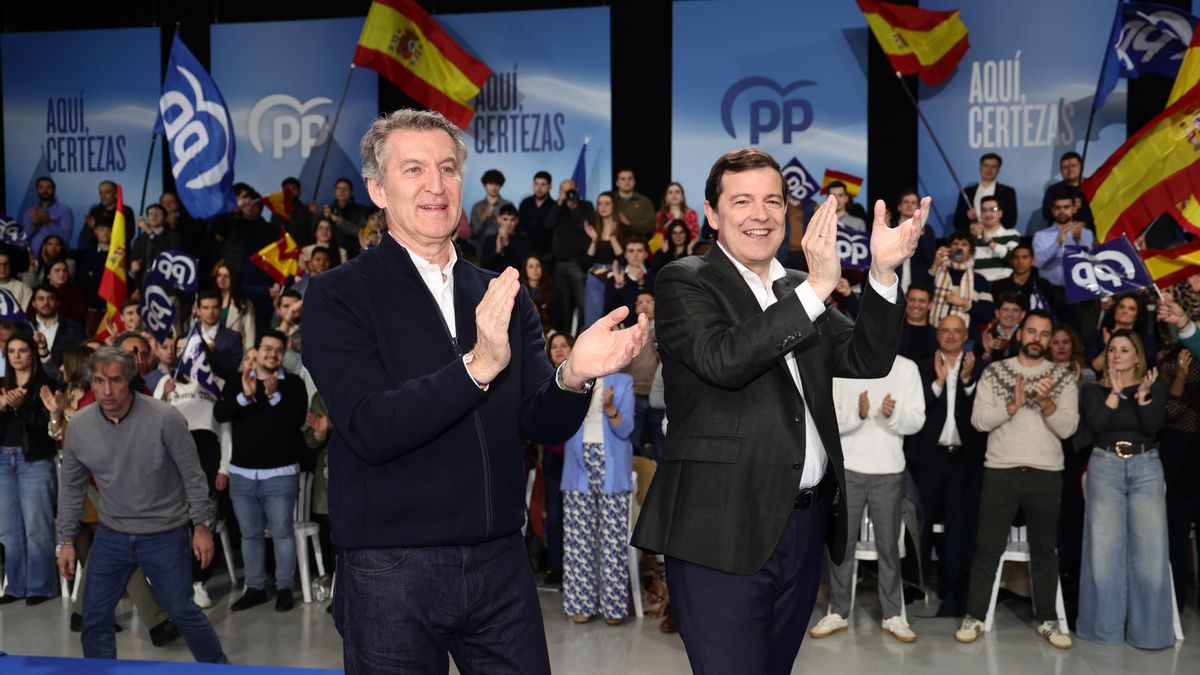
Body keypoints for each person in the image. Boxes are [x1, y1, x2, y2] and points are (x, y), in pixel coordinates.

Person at [302, 108, 648, 673]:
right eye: (413, 169)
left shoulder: (498, 292)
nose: (435, 185)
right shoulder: (338, 295)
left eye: (447, 167)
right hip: (390, 569)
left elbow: (540, 422)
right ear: (377, 189)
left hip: (500, 564)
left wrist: (574, 375)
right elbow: (369, 426)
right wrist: (477, 367)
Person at [631, 147, 926, 674]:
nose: (760, 214)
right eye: (741, 201)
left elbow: (867, 357)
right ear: (712, 214)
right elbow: (724, 359)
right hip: (720, 527)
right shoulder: (685, 280)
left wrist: (883, 273)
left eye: (772, 200)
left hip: (803, 527)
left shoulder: (794, 287)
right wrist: (818, 286)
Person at [55, 347, 227, 663]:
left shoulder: (165, 418)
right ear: (90, 383)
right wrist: (65, 540)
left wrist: (202, 526)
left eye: (115, 380)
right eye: (98, 381)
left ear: (130, 381)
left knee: (183, 612)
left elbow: (193, 476)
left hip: (166, 533)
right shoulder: (79, 426)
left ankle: (220, 670)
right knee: (93, 619)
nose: (106, 390)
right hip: (112, 534)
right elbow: (71, 488)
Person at [957, 310, 1078, 648]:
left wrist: (1046, 403)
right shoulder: (996, 371)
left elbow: (1069, 427)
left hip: (1046, 474)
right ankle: (975, 616)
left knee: (1044, 552)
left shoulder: (1063, 376)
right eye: (1032, 331)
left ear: (1050, 339)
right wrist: (1010, 407)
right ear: (1020, 334)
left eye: (1044, 333)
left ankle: (1048, 620)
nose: (1037, 338)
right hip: (1001, 472)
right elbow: (979, 420)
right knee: (987, 549)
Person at [812, 354, 925, 643]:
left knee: (889, 546)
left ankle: (893, 615)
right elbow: (828, 420)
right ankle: (837, 611)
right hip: (848, 468)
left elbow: (916, 421)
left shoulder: (906, 367)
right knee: (842, 544)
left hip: (888, 470)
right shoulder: (843, 365)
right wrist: (859, 415)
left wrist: (892, 414)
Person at [1076, 330, 1172, 648]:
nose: (1117, 355)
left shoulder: (1153, 388)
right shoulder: (1092, 390)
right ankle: (1103, 631)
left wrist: (1143, 399)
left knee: (1151, 553)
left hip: (1145, 466)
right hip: (1105, 466)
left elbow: (1152, 426)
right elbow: (1098, 425)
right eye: (1112, 349)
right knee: (1103, 553)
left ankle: (1150, 634)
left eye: (1124, 349)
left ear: (1137, 356)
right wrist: (1114, 395)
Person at [214, 329, 308, 613]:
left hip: (280, 474)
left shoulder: (292, 384)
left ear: (284, 353)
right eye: (267, 348)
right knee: (250, 535)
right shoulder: (238, 381)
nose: (272, 354)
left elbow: (296, 421)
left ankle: (283, 588)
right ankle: (254, 587)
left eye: (278, 350)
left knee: (281, 533)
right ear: (256, 351)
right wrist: (245, 396)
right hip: (242, 475)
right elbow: (221, 414)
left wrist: (274, 396)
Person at [906, 315, 984, 607]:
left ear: (965, 334)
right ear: (937, 334)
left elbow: (981, 415)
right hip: (928, 459)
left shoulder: (979, 366)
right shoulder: (921, 366)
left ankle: (953, 587)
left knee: (958, 527)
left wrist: (965, 382)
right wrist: (938, 382)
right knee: (922, 524)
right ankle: (918, 584)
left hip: (963, 461)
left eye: (957, 331)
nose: (951, 336)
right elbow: (915, 410)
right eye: (945, 331)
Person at [154, 337, 233, 610]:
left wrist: (224, 467)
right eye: (179, 351)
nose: (184, 355)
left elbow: (225, 432)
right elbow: (150, 420)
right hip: (172, 456)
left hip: (208, 455)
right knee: (175, 523)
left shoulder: (217, 385)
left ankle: (199, 581)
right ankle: (176, 582)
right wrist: (164, 394)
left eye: (189, 351)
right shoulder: (166, 382)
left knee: (204, 521)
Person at [562, 370, 636, 625]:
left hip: (613, 469)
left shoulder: (623, 382)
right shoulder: (574, 379)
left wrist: (611, 407)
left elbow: (627, 430)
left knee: (612, 540)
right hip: (576, 465)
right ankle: (581, 603)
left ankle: (614, 607)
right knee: (578, 540)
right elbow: (560, 424)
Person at [0, 333, 58, 605]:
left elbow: (47, 430)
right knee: (8, 529)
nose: (16, 355)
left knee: (37, 526)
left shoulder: (45, 385)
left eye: (22, 350)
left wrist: (21, 408)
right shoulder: (1, 385)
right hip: (3, 459)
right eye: (11, 350)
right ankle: (16, 586)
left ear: (32, 353)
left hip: (34, 459)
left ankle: (41, 585)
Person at [542, 333, 574, 586]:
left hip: (577, 455)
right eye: (555, 346)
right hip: (552, 455)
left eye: (564, 345)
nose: (560, 349)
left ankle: (575, 565)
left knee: (573, 513)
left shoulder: (580, 377)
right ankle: (556, 566)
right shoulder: (543, 378)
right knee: (553, 513)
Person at [546, 179, 596, 331]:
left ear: (577, 190)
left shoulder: (585, 206)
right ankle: (565, 338)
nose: (569, 194)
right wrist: (559, 203)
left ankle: (581, 335)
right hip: (559, 264)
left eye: (571, 191)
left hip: (577, 263)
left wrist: (574, 208)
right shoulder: (556, 206)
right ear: (560, 192)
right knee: (564, 305)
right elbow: (547, 224)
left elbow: (586, 226)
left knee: (582, 304)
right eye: (565, 191)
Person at [928, 231, 995, 332]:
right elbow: (919, 295)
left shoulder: (979, 280)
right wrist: (935, 265)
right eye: (955, 244)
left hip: (966, 338)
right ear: (948, 249)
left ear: (971, 252)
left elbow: (988, 315)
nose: (959, 248)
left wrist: (965, 303)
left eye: (964, 244)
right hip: (933, 333)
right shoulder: (936, 272)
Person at [1085, 292, 1159, 375]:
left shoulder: (1146, 340)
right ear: (1115, 309)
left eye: (1131, 309)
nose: (1125, 311)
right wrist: (1108, 346)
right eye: (1121, 307)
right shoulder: (1098, 335)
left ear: (1137, 316)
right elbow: (1096, 367)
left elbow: (1146, 367)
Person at [31, 283, 86, 381]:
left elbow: (80, 358)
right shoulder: (25, 328)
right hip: (31, 382)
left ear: (57, 303)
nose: (46, 303)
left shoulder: (74, 329)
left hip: (62, 383)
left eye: (50, 298)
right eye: (41, 299)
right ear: (34, 303)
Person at [953, 152, 1018, 230]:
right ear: (980, 168)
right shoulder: (967, 192)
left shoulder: (1007, 192)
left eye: (993, 166)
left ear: (998, 170)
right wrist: (969, 220)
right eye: (986, 165)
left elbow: (1011, 221)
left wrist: (991, 229)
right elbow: (957, 222)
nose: (989, 170)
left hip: (998, 238)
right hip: (972, 237)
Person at [990, 244, 1057, 315]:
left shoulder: (1042, 285)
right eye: (1016, 257)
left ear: (1033, 261)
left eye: (1025, 257)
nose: (1020, 261)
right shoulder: (999, 286)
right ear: (1011, 261)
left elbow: (1052, 311)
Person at [193, 290, 245, 381]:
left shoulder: (234, 337)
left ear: (220, 309)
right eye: (205, 308)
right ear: (198, 310)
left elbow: (233, 370)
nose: (210, 312)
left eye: (215, 307)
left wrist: (214, 353)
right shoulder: (190, 335)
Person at [604, 236, 654, 328]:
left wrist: (641, 283)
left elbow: (654, 307)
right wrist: (618, 286)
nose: (635, 255)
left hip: (650, 329)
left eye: (639, 251)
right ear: (625, 254)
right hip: (622, 331)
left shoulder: (654, 277)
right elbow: (608, 311)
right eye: (631, 251)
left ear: (646, 254)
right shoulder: (613, 279)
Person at [969, 195, 1020, 281]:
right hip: (978, 286)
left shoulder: (1012, 234)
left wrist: (989, 242)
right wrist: (973, 237)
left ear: (1000, 213)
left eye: (993, 210)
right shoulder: (972, 237)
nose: (988, 214)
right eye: (984, 210)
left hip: (1004, 286)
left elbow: (1012, 259)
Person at [20, 176, 74, 255]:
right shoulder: (31, 211)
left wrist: (48, 223)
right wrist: (34, 224)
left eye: (48, 188)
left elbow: (66, 238)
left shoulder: (65, 210)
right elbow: (24, 238)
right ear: (37, 190)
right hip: (35, 258)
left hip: (57, 259)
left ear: (54, 190)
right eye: (41, 187)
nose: (44, 191)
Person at [1041, 151, 1093, 229]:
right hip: (1060, 234)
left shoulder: (1093, 186)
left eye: (1073, 166)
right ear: (1061, 170)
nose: (1069, 170)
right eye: (1065, 167)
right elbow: (1047, 213)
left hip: (1091, 235)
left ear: (1081, 167)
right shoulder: (1053, 190)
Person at [214, 264, 257, 354]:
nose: (222, 279)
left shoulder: (244, 304)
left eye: (226, 276)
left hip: (233, 355)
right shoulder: (209, 301)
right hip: (210, 352)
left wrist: (249, 356)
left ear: (233, 279)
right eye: (219, 276)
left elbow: (249, 334)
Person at [521, 254, 566, 336]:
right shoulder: (520, 292)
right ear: (525, 270)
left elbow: (558, 320)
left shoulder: (554, 292)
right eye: (531, 266)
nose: (535, 270)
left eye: (538, 266)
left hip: (547, 332)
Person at [973, 294, 1025, 364]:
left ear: (1022, 314)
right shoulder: (984, 336)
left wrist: (1008, 346)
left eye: (1015, 310)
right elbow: (976, 370)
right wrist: (988, 353)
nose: (1010, 314)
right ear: (997, 313)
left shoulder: (1027, 335)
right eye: (1005, 310)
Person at [324, 177, 367, 259]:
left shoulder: (361, 210)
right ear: (335, 191)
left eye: (345, 189)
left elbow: (360, 232)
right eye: (339, 188)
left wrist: (340, 221)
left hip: (354, 253)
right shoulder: (328, 209)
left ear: (351, 192)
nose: (342, 192)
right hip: (332, 254)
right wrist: (323, 218)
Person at [469, 168, 513, 242]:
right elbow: (472, 234)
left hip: (503, 247)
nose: (493, 187)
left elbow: (511, 231)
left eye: (497, 184)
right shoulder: (477, 206)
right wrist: (484, 218)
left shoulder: (508, 205)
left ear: (501, 185)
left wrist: (493, 217)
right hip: (480, 249)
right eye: (490, 183)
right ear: (485, 185)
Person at [518, 170, 555, 255]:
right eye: (536, 184)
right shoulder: (525, 203)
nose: (539, 188)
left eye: (543, 184)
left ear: (550, 187)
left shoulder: (554, 206)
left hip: (547, 254)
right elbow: (519, 226)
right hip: (525, 252)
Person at [899, 282, 938, 362]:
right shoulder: (893, 331)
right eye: (912, 300)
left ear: (930, 305)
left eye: (922, 301)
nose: (916, 305)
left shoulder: (936, 335)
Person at [44, 259, 87, 327]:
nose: (62, 274)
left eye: (65, 271)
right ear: (48, 275)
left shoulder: (76, 293)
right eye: (57, 270)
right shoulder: (39, 292)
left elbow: (79, 318)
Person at [614, 168, 656, 237]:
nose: (627, 182)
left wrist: (629, 223)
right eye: (623, 179)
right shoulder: (610, 200)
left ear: (634, 182)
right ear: (617, 183)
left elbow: (651, 225)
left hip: (638, 244)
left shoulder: (644, 201)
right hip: (615, 242)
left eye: (630, 179)